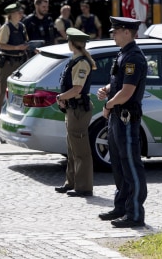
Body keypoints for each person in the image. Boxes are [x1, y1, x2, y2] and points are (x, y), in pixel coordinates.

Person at [96, 16, 147, 228]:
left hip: (126, 116)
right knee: (118, 163)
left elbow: (127, 93)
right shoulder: (123, 54)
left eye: (116, 31)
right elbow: (119, 83)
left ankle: (135, 213)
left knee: (130, 165)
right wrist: (108, 89)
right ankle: (121, 207)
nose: (113, 34)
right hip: (118, 117)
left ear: (128, 32)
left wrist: (108, 105)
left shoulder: (134, 57)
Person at [54, 28, 96, 197]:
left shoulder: (81, 63)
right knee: (72, 148)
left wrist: (60, 97)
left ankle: (84, 187)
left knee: (81, 150)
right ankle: (70, 182)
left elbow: (77, 88)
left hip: (78, 109)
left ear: (72, 43)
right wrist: (64, 98)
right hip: (72, 108)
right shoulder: (75, 60)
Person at [0, 3, 29, 99]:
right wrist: (17, 48)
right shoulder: (6, 27)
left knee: (20, 89)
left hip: (21, 62)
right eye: (18, 12)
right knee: (3, 88)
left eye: (21, 12)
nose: (21, 14)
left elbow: (26, 41)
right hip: (8, 62)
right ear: (11, 14)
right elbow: (1, 45)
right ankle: (0, 111)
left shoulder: (22, 26)